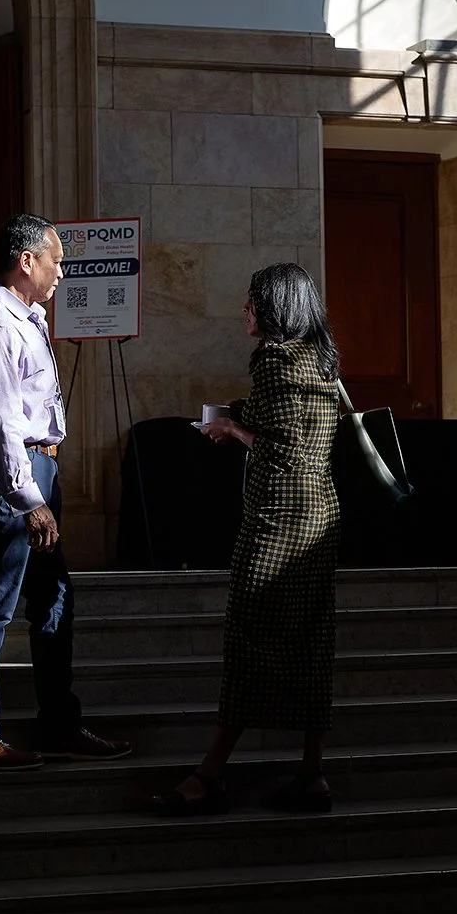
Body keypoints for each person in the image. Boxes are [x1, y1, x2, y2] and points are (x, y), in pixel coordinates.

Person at [0, 213, 131, 771]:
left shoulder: (27, 319)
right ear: (26, 262)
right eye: (54, 261)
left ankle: (57, 723)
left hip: (33, 469)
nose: (60, 273)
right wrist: (27, 499)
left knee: (53, 599)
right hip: (10, 475)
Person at [156, 262, 342, 814]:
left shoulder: (275, 361)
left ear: (275, 308)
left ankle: (210, 773)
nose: (244, 309)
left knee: (248, 640)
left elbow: (281, 449)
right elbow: (296, 428)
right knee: (311, 643)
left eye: (253, 301)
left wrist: (230, 429)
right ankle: (311, 773)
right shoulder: (322, 361)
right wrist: (245, 415)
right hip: (322, 517)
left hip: (278, 521)